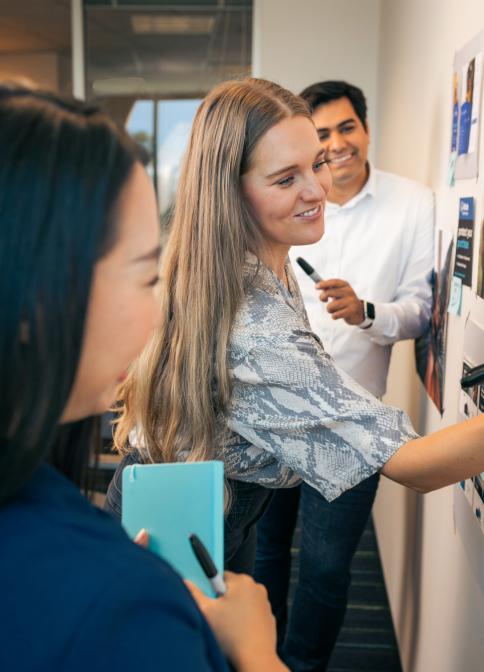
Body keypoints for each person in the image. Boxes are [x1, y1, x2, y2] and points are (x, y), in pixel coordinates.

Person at [108, 76, 484, 603]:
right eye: (286, 179)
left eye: (317, 164)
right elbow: (414, 466)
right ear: (231, 191)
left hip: (205, 495)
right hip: (175, 514)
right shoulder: (258, 325)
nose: (317, 190)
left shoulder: (247, 263)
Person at [0, 81, 287, 672]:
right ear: (32, 302)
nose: (159, 309)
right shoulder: (120, 612)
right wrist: (255, 653)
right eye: (143, 275)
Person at [254, 79, 434, 670]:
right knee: (266, 549)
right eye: (322, 135)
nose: (335, 147)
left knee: (329, 568)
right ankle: (262, 655)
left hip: (351, 422)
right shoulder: (294, 203)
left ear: (366, 127)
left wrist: (367, 313)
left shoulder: (412, 204)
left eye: (345, 128)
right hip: (275, 416)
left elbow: (421, 308)